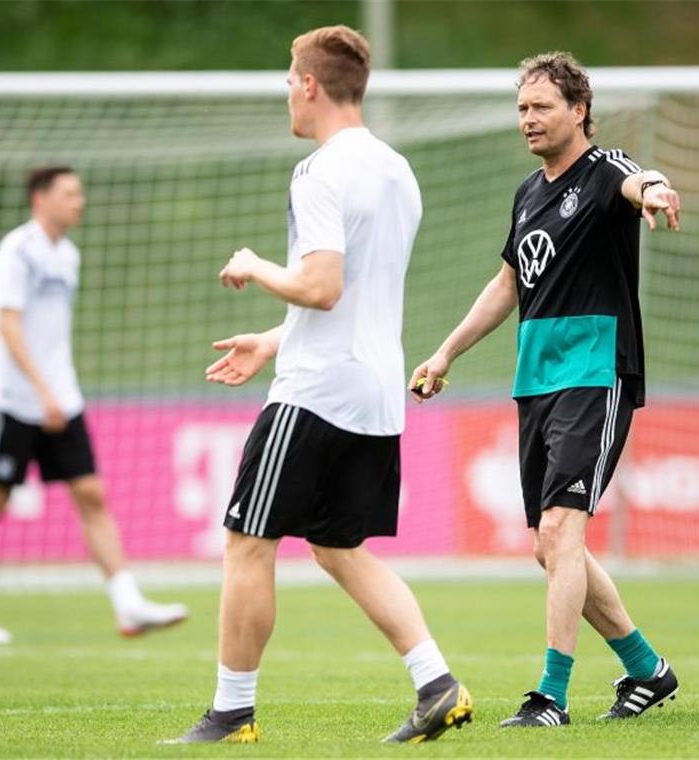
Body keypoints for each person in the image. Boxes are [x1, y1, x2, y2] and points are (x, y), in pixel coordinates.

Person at [167, 25, 472, 745]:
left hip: (315, 392)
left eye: (287, 79)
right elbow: (357, 293)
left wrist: (253, 264)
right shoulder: (398, 170)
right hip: (373, 391)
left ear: (310, 84)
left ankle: (232, 712)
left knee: (247, 540)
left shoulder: (320, 170)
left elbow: (322, 286)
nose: (286, 92)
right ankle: (438, 683)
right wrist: (270, 340)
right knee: (338, 546)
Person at [410, 51, 682, 727]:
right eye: (522, 109)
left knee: (562, 530)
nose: (528, 119)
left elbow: (640, 181)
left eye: (541, 107)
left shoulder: (606, 169)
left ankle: (549, 697)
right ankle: (649, 671)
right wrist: (445, 353)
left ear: (578, 109)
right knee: (550, 545)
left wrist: (658, 192)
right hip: (537, 376)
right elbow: (507, 284)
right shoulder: (529, 192)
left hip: (594, 369)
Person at [0, 166, 188, 645]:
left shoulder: (69, 255)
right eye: (69, 193)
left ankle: (128, 603)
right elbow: (10, 326)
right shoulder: (16, 252)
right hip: (17, 401)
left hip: (63, 398)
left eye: (80, 192)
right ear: (41, 199)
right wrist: (41, 392)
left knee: (92, 495)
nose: (79, 201)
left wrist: (59, 392)